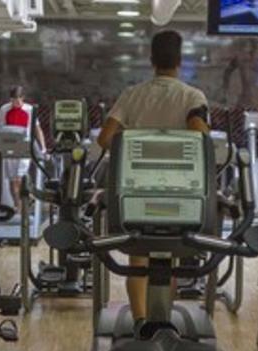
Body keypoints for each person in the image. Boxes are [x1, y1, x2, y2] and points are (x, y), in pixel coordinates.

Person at [97, 30, 211, 322]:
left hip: (136, 189)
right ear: (180, 61)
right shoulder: (191, 96)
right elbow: (201, 137)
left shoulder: (133, 94)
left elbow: (105, 138)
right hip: (178, 191)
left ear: (151, 60)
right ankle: (162, 321)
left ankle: (140, 323)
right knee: (167, 258)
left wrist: (135, 148)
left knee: (139, 260)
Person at [0, 86, 46, 215]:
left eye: (18, 99)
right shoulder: (4, 109)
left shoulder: (29, 110)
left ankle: (23, 205)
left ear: (22, 98)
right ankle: (18, 205)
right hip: (8, 147)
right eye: (13, 99)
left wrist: (43, 147)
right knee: (12, 181)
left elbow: (37, 129)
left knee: (19, 179)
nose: (16, 102)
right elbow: (0, 128)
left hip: (24, 147)